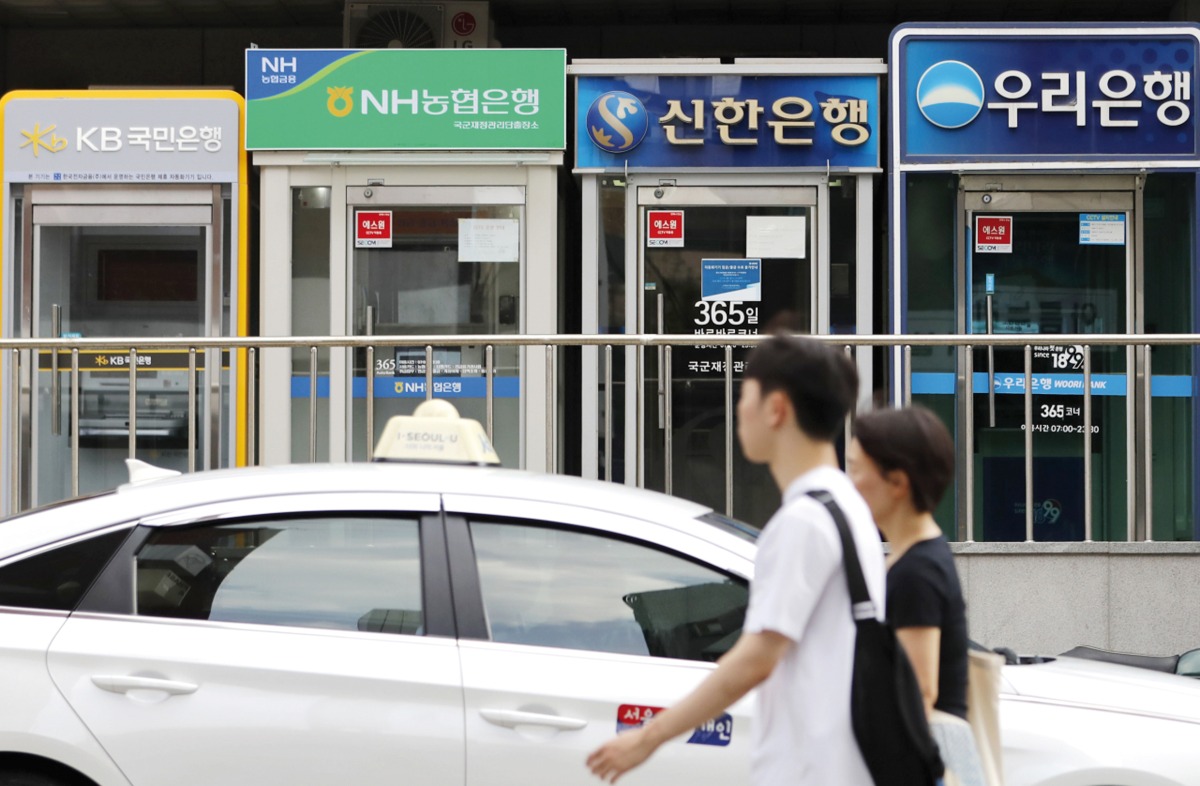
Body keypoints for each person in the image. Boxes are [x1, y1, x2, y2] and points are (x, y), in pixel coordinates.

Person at [586, 334, 884, 786]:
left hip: (809, 769)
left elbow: (756, 657)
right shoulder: (846, 506)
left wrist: (648, 738)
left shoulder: (803, 522)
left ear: (776, 409)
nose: (737, 409)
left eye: (745, 394)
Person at [846, 405, 985, 786]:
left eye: (858, 469)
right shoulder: (914, 558)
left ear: (898, 482)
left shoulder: (918, 572)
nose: (850, 482)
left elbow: (919, 692)